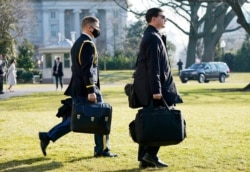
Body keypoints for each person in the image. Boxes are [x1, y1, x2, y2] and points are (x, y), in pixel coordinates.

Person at [57, 16, 116, 157]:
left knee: (76, 118)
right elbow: (87, 69)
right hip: (88, 88)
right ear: (90, 28)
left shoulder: (77, 43)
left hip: (78, 87)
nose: (99, 29)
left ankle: (48, 136)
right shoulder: (87, 44)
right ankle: (102, 150)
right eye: (98, 26)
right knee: (101, 117)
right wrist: (91, 90)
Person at [133, 8, 183, 169]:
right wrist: (156, 90)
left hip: (153, 88)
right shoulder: (153, 38)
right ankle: (151, 155)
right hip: (155, 90)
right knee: (161, 121)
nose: (165, 19)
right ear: (153, 19)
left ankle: (145, 159)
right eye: (163, 17)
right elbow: (152, 67)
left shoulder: (152, 36)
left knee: (150, 121)